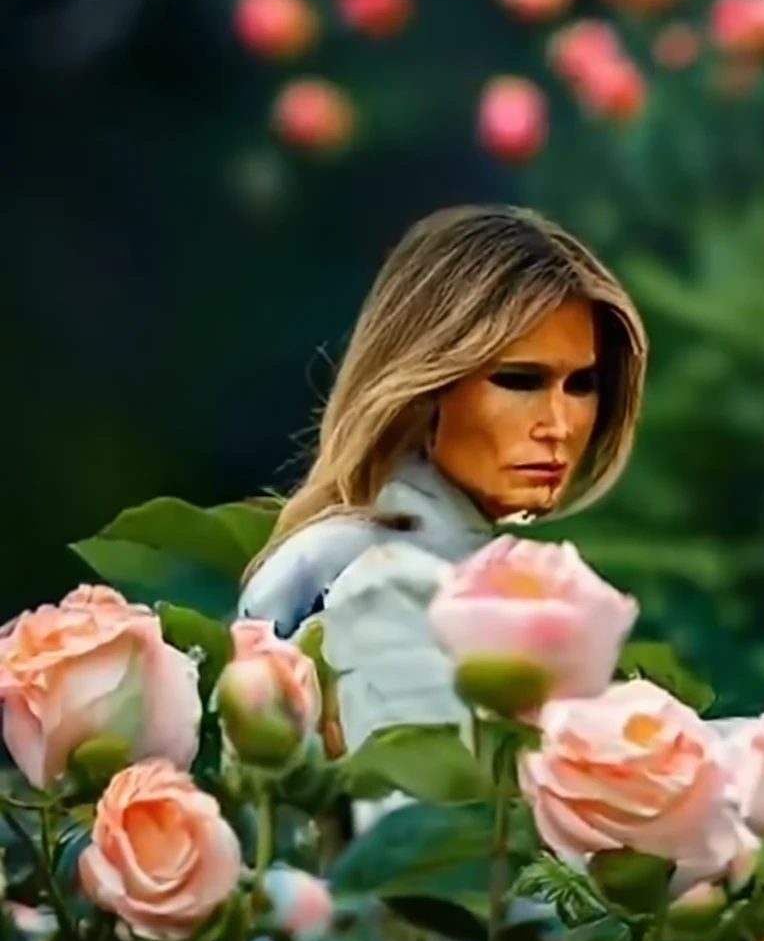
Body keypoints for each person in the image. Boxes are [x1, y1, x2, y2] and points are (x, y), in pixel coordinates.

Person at [238, 203, 648, 761]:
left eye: (582, 384)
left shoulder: (492, 575)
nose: (558, 424)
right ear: (427, 383)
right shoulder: (353, 572)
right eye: (520, 380)